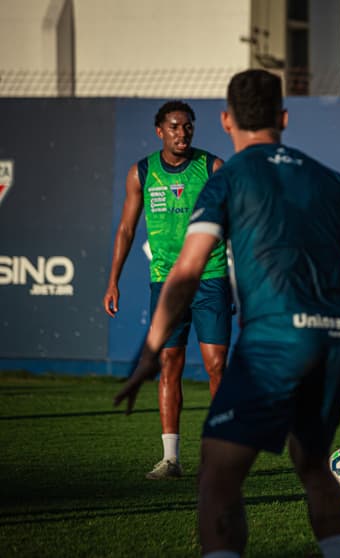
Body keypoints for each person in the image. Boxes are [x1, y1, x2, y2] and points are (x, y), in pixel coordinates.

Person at [114, 69, 340, 558]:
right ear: (284, 118)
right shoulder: (325, 178)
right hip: (335, 341)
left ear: (226, 120)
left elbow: (186, 271)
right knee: (313, 466)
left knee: (218, 474)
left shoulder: (227, 178)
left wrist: (150, 350)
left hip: (276, 340)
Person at [104, 100, 232, 480]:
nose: (182, 132)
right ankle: (170, 459)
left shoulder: (212, 168)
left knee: (216, 365)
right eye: (174, 126)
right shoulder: (141, 173)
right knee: (169, 364)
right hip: (166, 282)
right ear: (159, 131)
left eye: (187, 126)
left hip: (210, 277)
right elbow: (126, 229)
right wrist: (113, 280)